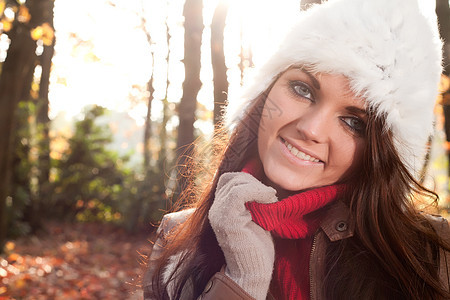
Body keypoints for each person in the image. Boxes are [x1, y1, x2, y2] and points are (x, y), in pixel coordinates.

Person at [143, 0, 450, 299]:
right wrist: (243, 282)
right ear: (266, 92)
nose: (311, 129)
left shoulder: (435, 256)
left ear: (380, 154)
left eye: (353, 122)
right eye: (302, 89)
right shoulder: (178, 237)